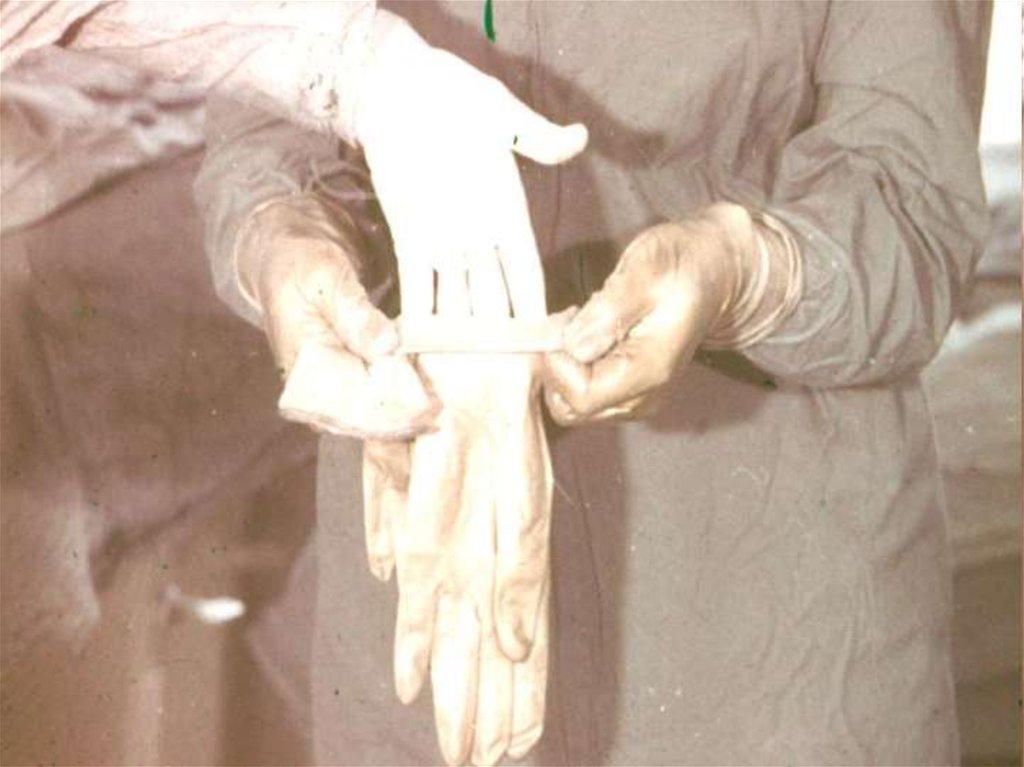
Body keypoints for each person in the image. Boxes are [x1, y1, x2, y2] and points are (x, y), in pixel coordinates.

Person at [194, 1, 992, 765]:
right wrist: (283, 230)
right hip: (439, 549)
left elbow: (912, 206)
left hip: (766, 620)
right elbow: (265, 97)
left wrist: (747, 272)